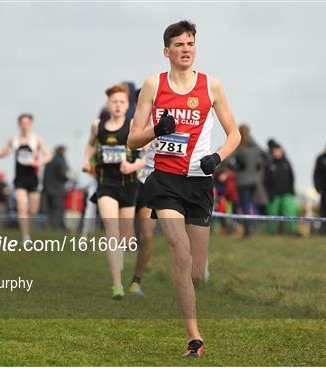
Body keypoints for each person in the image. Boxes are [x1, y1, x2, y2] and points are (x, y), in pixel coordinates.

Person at [127, 20, 240, 357]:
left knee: (195, 272)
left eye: (190, 43)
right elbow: (133, 139)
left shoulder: (211, 86)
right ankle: (194, 337)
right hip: (165, 181)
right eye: (178, 44)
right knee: (178, 248)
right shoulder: (153, 85)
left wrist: (216, 158)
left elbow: (234, 134)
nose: (186, 49)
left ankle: (190, 290)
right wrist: (155, 130)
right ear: (167, 51)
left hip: (199, 183)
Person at [82, 84, 145, 300]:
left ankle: (126, 262)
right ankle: (116, 285)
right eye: (114, 102)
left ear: (127, 106)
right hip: (106, 185)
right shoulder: (96, 126)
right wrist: (86, 161)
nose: (117, 105)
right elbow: (90, 146)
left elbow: (147, 156)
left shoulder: (133, 126)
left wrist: (133, 166)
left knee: (127, 237)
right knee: (112, 232)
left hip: (128, 185)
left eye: (122, 102)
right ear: (108, 105)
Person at [0, 113, 51, 241]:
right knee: (22, 206)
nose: (25, 126)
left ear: (31, 125)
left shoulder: (36, 139)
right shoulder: (13, 139)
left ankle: (27, 228)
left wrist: (39, 162)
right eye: (22, 123)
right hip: (19, 178)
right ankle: (26, 237)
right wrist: (1, 153)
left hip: (33, 178)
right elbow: (3, 151)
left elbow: (48, 155)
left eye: (27, 123)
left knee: (33, 210)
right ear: (19, 125)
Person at [128, 89, 157, 297]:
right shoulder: (128, 126)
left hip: (150, 187)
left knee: (146, 236)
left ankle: (136, 281)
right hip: (127, 187)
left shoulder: (162, 125)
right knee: (125, 235)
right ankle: (115, 277)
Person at [227, 124, 265, 237]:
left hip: (243, 180)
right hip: (254, 180)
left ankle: (247, 231)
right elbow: (265, 157)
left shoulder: (240, 146)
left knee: (245, 206)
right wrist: (257, 167)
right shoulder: (256, 146)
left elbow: (228, 160)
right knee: (252, 204)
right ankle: (253, 227)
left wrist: (237, 168)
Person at [263, 142, 298, 235]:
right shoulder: (269, 164)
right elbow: (266, 181)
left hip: (286, 193)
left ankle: (292, 231)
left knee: (290, 212)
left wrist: (291, 191)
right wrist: (269, 193)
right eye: (275, 151)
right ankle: (271, 232)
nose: (277, 153)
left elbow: (291, 178)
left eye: (279, 151)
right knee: (272, 214)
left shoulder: (286, 163)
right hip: (273, 195)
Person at [42, 145, 69, 229]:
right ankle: (56, 226)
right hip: (57, 189)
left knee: (49, 209)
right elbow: (62, 175)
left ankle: (49, 225)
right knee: (58, 209)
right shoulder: (61, 160)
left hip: (47, 189)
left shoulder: (49, 160)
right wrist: (68, 179)